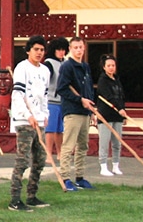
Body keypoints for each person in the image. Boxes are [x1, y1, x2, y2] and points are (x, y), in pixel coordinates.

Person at [8, 36, 50, 212]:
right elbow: (17, 95)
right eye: (36, 49)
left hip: (39, 120)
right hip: (24, 120)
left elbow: (45, 96)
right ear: (28, 50)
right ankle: (15, 199)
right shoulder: (21, 68)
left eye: (41, 50)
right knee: (23, 160)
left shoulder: (46, 71)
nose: (39, 53)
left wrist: (45, 114)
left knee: (40, 160)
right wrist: (27, 114)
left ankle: (32, 196)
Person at [56, 37, 96, 191]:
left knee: (83, 145)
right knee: (68, 145)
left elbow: (89, 89)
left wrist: (90, 106)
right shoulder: (67, 66)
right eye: (76, 47)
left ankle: (80, 177)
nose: (79, 50)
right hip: (72, 111)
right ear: (70, 49)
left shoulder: (85, 66)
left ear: (84, 48)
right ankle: (66, 177)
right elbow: (62, 89)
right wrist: (79, 100)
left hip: (85, 111)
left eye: (81, 47)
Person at [97, 54, 128, 176]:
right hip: (105, 114)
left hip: (117, 116)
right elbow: (108, 97)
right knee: (104, 142)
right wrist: (119, 108)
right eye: (108, 65)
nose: (111, 68)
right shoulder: (102, 80)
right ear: (104, 67)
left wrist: (123, 111)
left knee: (117, 142)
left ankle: (116, 165)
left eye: (113, 65)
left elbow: (121, 97)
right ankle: (103, 166)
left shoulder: (117, 80)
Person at [43, 37, 69, 165]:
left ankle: (60, 153)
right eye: (59, 49)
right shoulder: (48, 63)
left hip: (63, 101)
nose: (61, 52)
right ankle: (48, 153)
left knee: (60, 129)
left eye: (63, 49)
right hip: (51, 100)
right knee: (50, 128)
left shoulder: (66, 63)